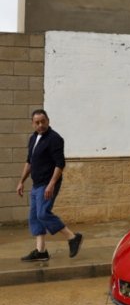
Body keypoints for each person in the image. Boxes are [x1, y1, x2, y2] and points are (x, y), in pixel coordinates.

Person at [16, 109, 82, 261]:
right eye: (37, 122)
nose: (40, 125)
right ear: (32, 124)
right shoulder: (33, 138)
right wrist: (21, 181)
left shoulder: (55, 139)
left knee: (43, 213)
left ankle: (72, 237)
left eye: (43, 121)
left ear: (48, 121)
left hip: (48, 183)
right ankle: (41, 252)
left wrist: (51, 184)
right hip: (37, 183)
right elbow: (29, 162)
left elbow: (60, 164)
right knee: (34, 217)